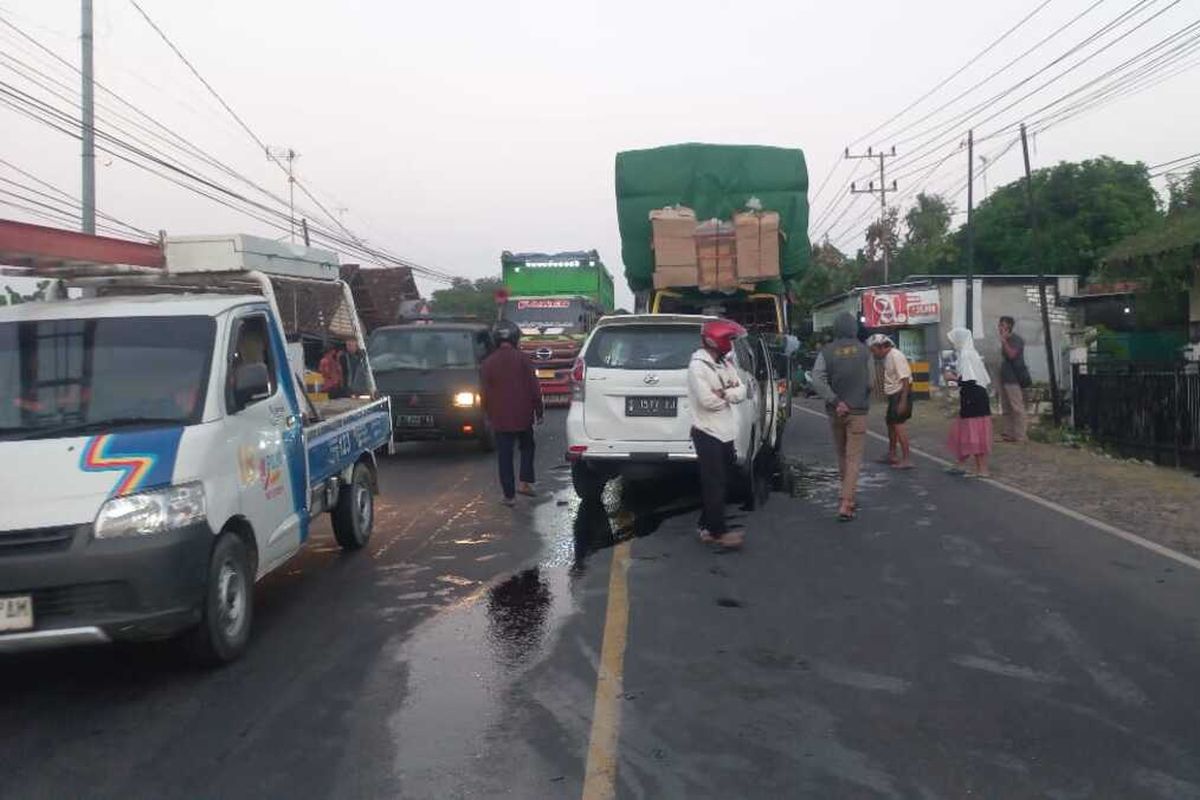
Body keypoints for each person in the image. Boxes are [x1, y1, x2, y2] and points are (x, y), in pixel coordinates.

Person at [688, 319, 749, 550]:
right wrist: (728, 393)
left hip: (725, 430)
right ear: (718, 340)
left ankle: (706, 524)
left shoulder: (724, 363)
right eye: (730, 340)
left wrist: (724, 393)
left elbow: (741, 390)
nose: (731, 345)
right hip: (707, 431)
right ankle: (717, 531)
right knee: (714, 482)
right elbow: (707, 401)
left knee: (726, 479)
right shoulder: (698, 367)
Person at [811, 312, 873, 521]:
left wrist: (836, 401)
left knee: (841, 454)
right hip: (858, 411)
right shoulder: (866, 351)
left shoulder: (826, 352)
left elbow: (817, 380)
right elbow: (871, 382)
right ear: (854, 328)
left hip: (835, 410)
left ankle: (844, 493)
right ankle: (847, 502)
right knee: (854, 457)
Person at [480, 320, 544, 506]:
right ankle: (525, 483)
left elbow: (483, 393)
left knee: (505, 456)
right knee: (527, 448)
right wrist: (539, 411)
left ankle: (509, 496)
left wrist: (487, 414)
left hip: (499, 418)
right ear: (516, 338)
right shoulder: (524, 359)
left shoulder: (487, 363)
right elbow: (534, 388)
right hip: (524, 416)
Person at [945, 327, 993, 478]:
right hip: (977, 397)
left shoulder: (965, 355)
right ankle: (964, 464)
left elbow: (969, 380)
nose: (953, 344)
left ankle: (982, 469)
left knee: (974, 432)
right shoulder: (971, 353)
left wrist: (952, 378)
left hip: (973, 399)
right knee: (971, 431)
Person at [867, 334, 913, 470]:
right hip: (894, 394)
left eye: (873, 350)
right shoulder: (888, 357)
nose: (873, 353)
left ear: (881, 347)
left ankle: (907, 459)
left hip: (900, 394)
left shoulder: (895, 356)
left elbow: (905, 379)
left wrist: (903, 401)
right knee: (891, 424)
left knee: (899, 426)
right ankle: (892, 454)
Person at [997, 315, 1031, 442]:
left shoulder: (1016, 340)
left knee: (1017, 407)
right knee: (1006, 407)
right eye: (999, 325)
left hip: (1014, 378)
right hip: (1004, 377)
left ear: (1009, 327)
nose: (1000, 328)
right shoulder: (1005, 339)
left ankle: (1021, 435)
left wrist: (1004, 341)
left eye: (1002, 325)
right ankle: (1009, 433)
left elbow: (1012, 355)